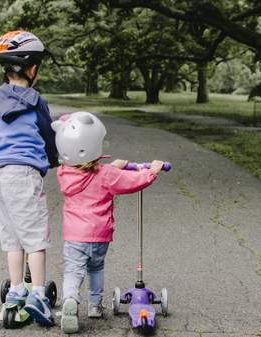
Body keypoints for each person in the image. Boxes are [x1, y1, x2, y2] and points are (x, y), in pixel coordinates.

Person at [51, 112, 164, 333]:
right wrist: (152, 171)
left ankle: (70, 300)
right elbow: (132, 181)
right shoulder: (106, 175)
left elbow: (88, 171)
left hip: (74, 236)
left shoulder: (64, 173)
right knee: (96, 268)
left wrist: (113, 166)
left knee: (73, 271)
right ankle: (94, 306)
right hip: (99, 235)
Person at [0, 30, 58, 327]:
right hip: (24, 175)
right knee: (35, 238)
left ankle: (16, 290)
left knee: (12, 238)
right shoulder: (35, 101)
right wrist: (54, 159)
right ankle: (38, 294)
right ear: (32, 69)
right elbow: (48, 135)